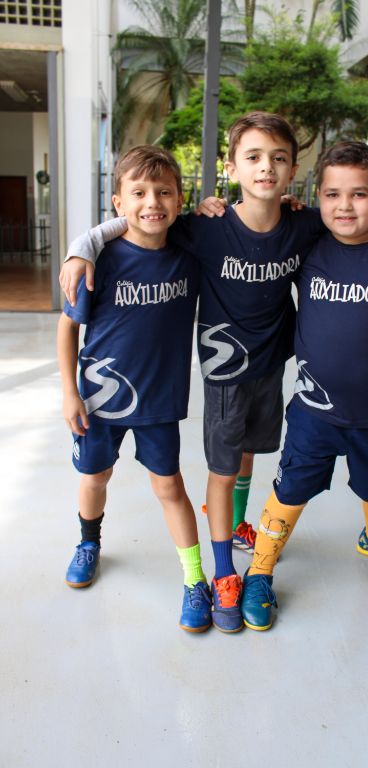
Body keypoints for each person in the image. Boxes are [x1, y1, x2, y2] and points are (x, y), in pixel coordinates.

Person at [59, 113, 368, 634]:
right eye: (254, 157)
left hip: (272, 366)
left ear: (293, 171)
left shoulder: (305, 225)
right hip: (222, 374)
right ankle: (222, 573)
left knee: (247, 455)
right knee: (210, 472)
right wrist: (82, 246)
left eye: (278, 158)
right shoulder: (204, 227)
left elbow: (366, 221)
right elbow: (136, 220)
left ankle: (245, 526)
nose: (266, 167)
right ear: (231, 167)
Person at [240, 141, 368, 631]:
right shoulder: (307, 245)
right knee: (291, 488)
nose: (345, 206)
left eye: (359, 194)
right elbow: (255, 222)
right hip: (315, 411)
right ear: (318, 197)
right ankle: (260, 569)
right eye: (332, 195)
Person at [57, 145, 212, 634]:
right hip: (99, 399)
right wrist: (69, 392)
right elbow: (67, 327)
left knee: (169, 486)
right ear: (118, 202)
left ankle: (194, 579)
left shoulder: (190, 255)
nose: (152, 202)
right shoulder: (98, 259)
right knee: (95, 476)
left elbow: (236, 228)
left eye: (164, 192)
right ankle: (88, 542)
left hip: (159, 401)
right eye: (139, 193)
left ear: (179, 199)